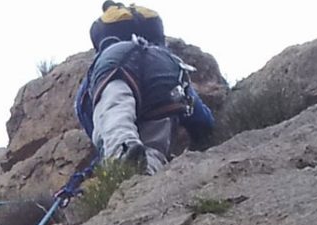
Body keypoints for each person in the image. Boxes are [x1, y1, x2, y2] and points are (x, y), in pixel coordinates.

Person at [76, 35, 215, 175]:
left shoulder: (105, 56)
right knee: (155, 147)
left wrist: (101, 146)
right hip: (163, 77)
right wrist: (203, 131)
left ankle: (122, 151)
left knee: (116, 119)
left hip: (114, 73)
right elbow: (201, 118)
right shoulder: (165, 57)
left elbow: (82, 105)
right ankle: (147, 173)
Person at [89, 0, 166, 50]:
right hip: (151, 20)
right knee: (161, 48)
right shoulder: (135, 9)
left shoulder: (102, 19)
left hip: (113, 27)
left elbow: (98, 48)